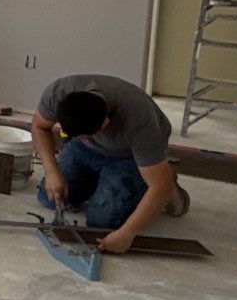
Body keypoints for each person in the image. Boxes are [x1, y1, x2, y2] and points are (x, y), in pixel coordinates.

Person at [30, 73, 189, 253]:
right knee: (49, 197)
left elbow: (160, 189)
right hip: (84, 149)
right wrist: (51, 171)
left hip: (129, 157)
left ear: (105, 124)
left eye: (85, 134)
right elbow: (39, 126)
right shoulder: (59, 92)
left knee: (102, 222)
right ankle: (101, 181)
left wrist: (127, 233)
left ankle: (164, 175)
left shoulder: (140, 121)